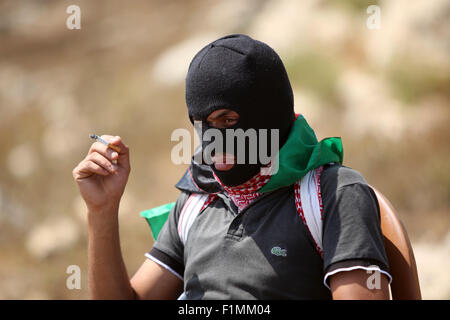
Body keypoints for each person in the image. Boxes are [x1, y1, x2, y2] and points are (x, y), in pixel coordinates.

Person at [72, 34, 392, 300]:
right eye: (203, 124)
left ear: (270, 116)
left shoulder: (332, 195)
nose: (215, 141)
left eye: (229, 120)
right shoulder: (198, 198)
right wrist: (101, 211)